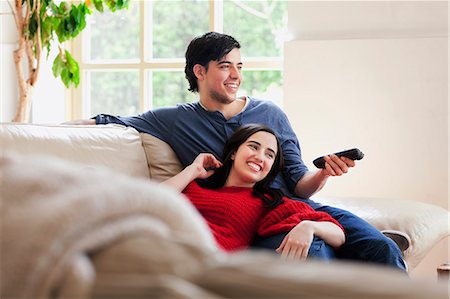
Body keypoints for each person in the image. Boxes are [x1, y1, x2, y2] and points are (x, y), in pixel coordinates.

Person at [66, 32, 406, 271]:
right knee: (313, 257)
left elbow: (299, 182)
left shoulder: (270, 114)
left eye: (240, 67)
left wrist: (323, 173)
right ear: (200, 71)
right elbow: (108, 120)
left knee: (382, 248)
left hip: (299, 206)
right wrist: (30, 129)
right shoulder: (174, 120)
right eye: (226, 66)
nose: (236, 76)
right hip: (255, 220)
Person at [162, 123, 345, 260]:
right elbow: (150, 199)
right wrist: (192, 169)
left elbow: (338, 234)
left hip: (201, 262)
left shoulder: (267, 201)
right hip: (160, 247)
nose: (259, 157)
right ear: (233, 152)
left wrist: (309, 226)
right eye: (254, 146)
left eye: (269, 154)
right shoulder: (192, 185)